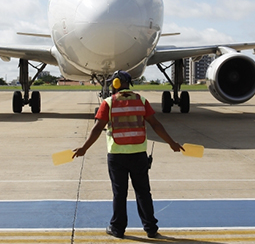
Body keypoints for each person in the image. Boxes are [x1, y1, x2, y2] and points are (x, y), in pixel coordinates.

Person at [73, 70, 184, 239]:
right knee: (143, 192)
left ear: (116, 83)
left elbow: (97, 129)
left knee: (120, 193)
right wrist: (171, 143)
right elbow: (156, 124)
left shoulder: (108, 103)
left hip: (117, 155)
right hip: (139, 154)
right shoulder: (141, 101)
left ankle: (117, 229)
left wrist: (84, 148)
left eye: (112, 82)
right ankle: (151, 229)